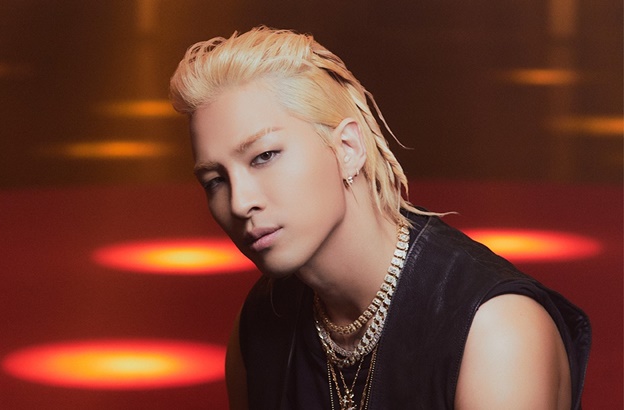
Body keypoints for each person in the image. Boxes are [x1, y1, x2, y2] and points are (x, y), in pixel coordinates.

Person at [169, 26, 591, 410]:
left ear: (348, 148)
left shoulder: (493, 331)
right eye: (214, 180)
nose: (239, 203)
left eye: (264, 156)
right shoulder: (260, 325)